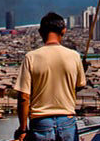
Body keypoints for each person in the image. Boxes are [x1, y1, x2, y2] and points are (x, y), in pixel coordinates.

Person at [13, 12, 86, 141]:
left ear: (41, 32)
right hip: (67, 121)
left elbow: (24, 97)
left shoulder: (31, 57)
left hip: (41, 122)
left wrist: (23, 129)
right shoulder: (74, 56)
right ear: (63, 31)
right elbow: (78, 86)